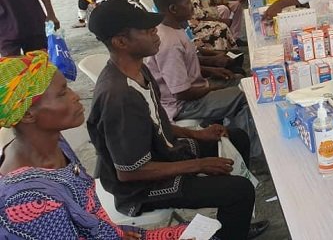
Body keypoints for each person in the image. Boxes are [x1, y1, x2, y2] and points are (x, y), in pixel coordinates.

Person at [86, 0, 268, 239]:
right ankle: (234, 225)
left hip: (162, 152)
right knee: (239, 190)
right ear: (121, 42)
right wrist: (199, 165)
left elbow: (158, 123)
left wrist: (198, 134)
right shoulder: (119, 98)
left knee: (237, 138)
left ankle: (235, 226)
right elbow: (130, 173)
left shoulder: (139, 69)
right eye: (146, 29)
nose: (155, 32)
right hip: (140, 188)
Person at [0, 51, 192, 239]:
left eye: (68, 88)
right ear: (27, 114)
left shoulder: (53, 141)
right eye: (62, 93)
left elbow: (85, 216)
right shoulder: (27, 199)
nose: (75, 96)